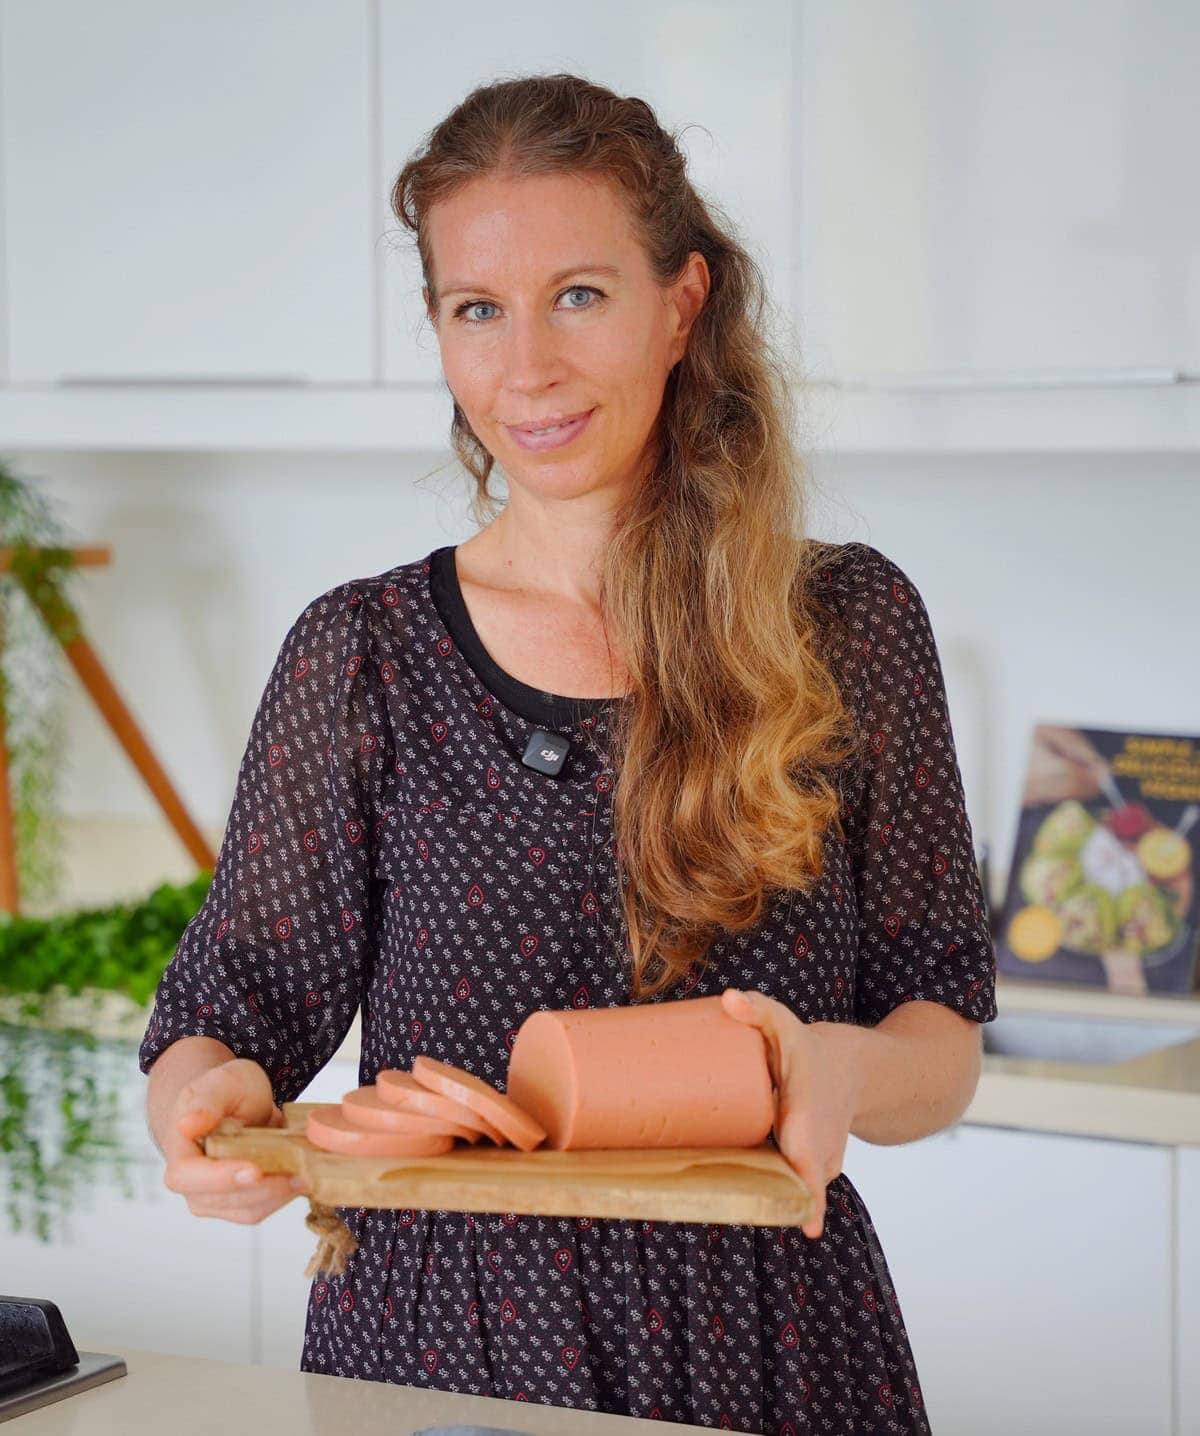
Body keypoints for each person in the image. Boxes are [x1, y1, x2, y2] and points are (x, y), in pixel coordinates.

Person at [140, 72, 997, 1435]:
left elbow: (939, 1025)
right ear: (438, 331)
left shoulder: (847, 623)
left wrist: (838, 1072)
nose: (525, 368)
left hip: (768, 1339)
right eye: (477, 310)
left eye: (579, 296)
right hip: (429, 1351)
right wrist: (206, 1113)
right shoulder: (361, 655)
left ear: (684, 303)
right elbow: (228, 1011)